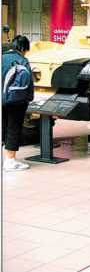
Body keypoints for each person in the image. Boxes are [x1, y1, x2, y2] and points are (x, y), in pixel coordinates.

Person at [2, 35, 34, 171]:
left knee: (3, 126)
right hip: (16, 101)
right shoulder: (22, 61)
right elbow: (29, 83)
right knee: (13, 128)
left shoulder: (2, 57)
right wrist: (29, 98)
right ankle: (10, 161)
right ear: (23, 48)